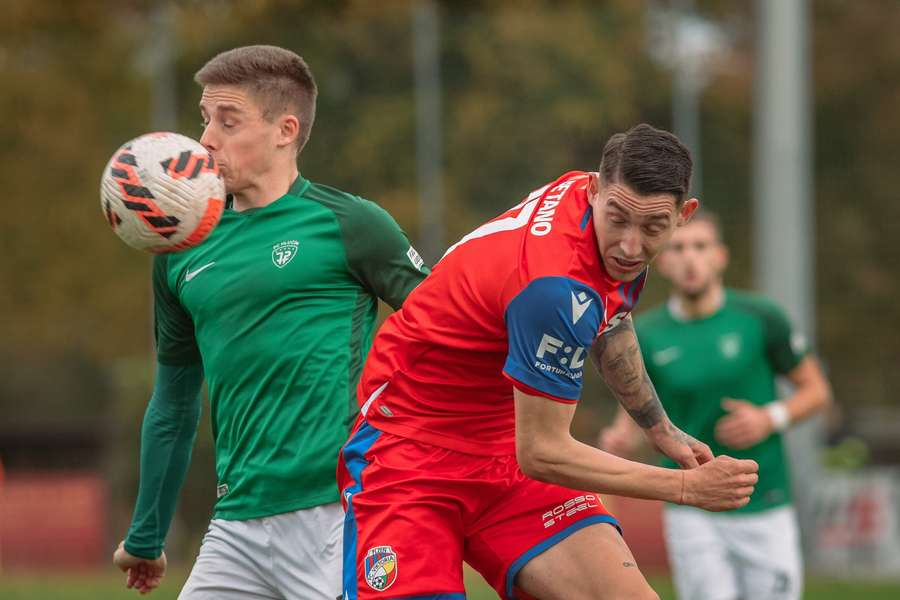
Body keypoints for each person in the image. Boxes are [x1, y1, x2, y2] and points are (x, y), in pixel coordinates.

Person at [338, 124, 760, 600]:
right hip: (409, 452)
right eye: (618, 219)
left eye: (653, 227)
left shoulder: (595, 208)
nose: (630, 245)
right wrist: (685, 488)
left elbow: (610, 318)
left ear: (685, 215)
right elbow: (542, 451)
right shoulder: (554, 286)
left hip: (501, 450)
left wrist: (659, 429)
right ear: (595, 190)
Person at [111, 45, 428, 599]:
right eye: (204, 119)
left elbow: (447, 324)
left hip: (338, 514)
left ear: (285, 130)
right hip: (235, 524)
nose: (206, 138)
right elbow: (174, 403)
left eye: (227, 121)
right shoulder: (181, 250)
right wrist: (146, 533)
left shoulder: (350, 223)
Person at [600, 210, 832, 600]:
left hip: (765, 500)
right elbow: (636, 408)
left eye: (700, 246)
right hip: (691, 503)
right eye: (678, 248)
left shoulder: (760, 317)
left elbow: (816, 390)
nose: (690, 258)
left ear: (719, 256)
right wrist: (620, 439)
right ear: (663, 260)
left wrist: (769, 418)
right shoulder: (647, 333)